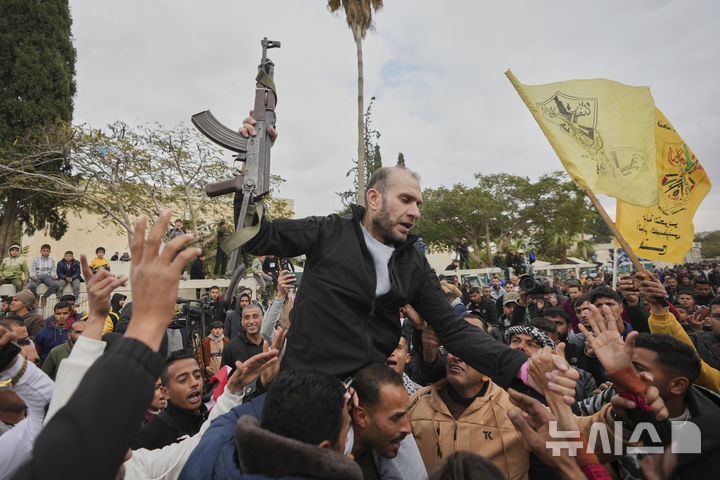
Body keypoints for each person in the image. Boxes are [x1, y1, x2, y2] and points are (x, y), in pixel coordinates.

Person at [179, 369, 359, 480]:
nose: (347, 441)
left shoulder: (210, 455)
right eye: (346, 433)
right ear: (324, 450)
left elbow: (227, 420)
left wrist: (316, 391)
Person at [132, 349, 208, 450]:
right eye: (183, 380)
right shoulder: (148, 437)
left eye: (197, 376)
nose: (194, 383)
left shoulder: (211, 420)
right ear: (165, 392)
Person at [221, 303, 264, 367]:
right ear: (242, 321)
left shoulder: (269, 344)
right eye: (247, 318)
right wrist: (239, 372)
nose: (251, 321)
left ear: (262, 319)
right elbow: (223, 373)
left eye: (255, 316)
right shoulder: (231, 347)